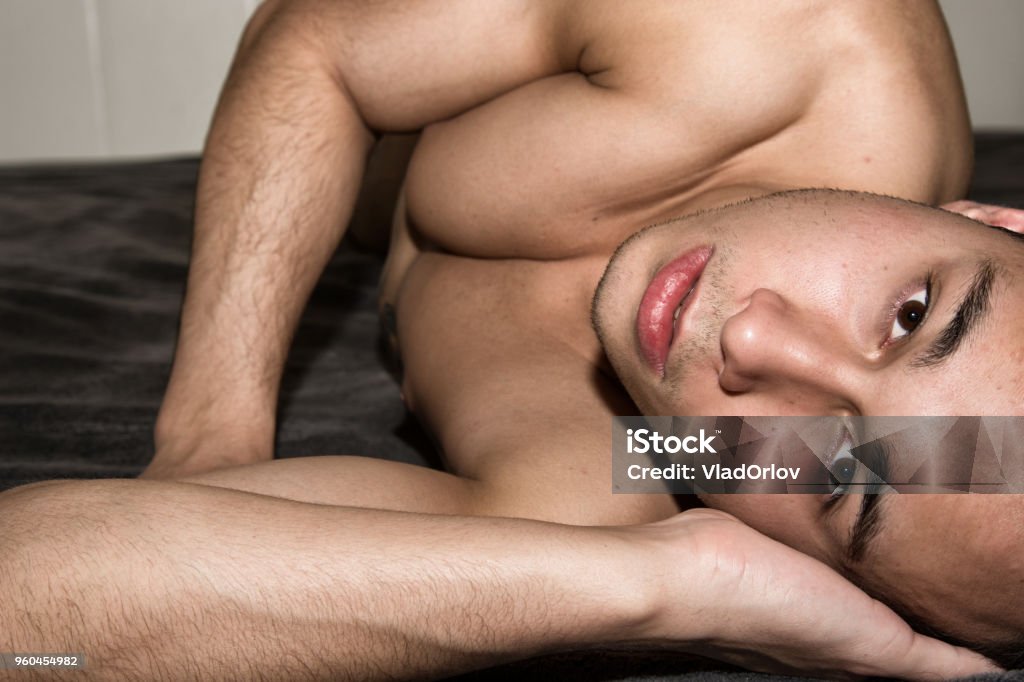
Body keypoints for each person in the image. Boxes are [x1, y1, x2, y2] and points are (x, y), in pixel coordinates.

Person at [1, 0, 1021, 678]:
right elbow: (315, 44)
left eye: (837, 476)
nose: (755, 343)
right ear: (996, 220)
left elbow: (27, 601)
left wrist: (676, 584)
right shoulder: (778, 30)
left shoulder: (629, 479)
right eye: (909, 314)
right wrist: (211, 436)